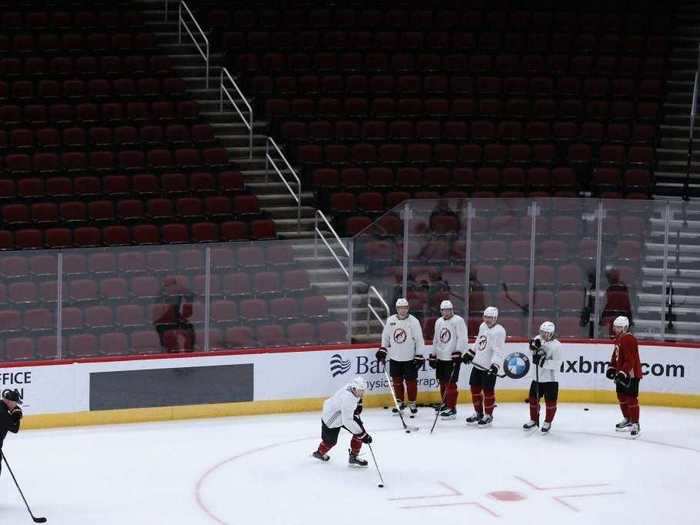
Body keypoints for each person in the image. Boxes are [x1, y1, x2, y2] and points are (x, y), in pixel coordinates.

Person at [376, 298, 425, 416]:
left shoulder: (414, 321)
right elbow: (386, 336)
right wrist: (383, 349)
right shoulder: (391, 320)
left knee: (411, 382)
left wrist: (419, 355)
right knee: (397, 382)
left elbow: (419, 339)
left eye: (404, 308)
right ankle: (400, 402)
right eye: (400, 308)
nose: (402, 310)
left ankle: (412, 403)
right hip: (395, 357)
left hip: (409, 357)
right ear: (397, 309)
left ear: (407, 308)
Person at [461, 306, 506, 427]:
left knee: (488, 391)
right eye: (485, 317)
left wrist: (495, 365)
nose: (487, 320)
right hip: (478, 364)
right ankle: (478, 413)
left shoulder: (499, 331)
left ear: (495, 318)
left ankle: (488, 415)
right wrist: (470, 353)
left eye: (490, 317)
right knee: (474, 388)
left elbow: (499, 351)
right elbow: (479, 342)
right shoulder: (482, 326)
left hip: (488, 367)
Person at [313, 377, 372, 467]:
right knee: (331, 441)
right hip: (331, 419)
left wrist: (359, 403)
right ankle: (319, 453)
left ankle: (353, 457)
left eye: (364, 390)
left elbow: (353, 404)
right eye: (361, 391)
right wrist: (363, 435)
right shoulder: (348, 400)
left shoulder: (352, 388)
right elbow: (347, 421)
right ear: (354, 388)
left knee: (359, 428)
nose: (363, 393)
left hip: (339, 412)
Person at [429, 300, 468, 420]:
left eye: (449, 310)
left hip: (452, 358)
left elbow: (462, 338)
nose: (447, 312)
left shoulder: (458, 320)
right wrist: (433, 354)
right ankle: (445, 404)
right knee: (442, 381)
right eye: (444, 310)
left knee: (450, 384)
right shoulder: (439, 321)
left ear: (452, 310)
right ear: (441, 311)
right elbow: (436, 339)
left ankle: (452, 408)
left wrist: (458, 352)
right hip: (441, 357)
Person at [523, 321, 562, 433]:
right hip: (537, 377)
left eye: (546, 333)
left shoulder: (557, 346)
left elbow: (557, 364)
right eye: (542, 332)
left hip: (551, 380)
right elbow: (530, 352)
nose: (543, 334)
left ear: (551, 333)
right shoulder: (537, 338)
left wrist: (541, 362)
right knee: (533, 400)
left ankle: (547, 422)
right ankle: (533, 419)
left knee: (550, 402)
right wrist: (532, 348)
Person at [606, 316, 642, 437]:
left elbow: (630, 360)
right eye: (615, 326)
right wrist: (611, 367)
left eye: (618, 327)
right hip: (621, 373)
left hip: (630, 375)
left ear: (625, 327)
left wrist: (623, 372)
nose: (615, 329)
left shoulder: (629, 339)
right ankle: (628, 418)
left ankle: (635, 423)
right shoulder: (619, 338)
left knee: (631, 398)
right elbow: (615, 355)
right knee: (621, 397)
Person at [152, 276, 196, 352]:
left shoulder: (179, 289)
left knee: (189, 329)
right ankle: (167, 349)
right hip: (163, 321)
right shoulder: (161, 292)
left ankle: (189, 349)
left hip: (176, 318)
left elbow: (190, 295)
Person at [0, 389, 23, 476]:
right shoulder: (3, 413)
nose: (16, 405)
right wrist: (17, 414)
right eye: (15, 403)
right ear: (9, 402)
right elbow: (15, 428)